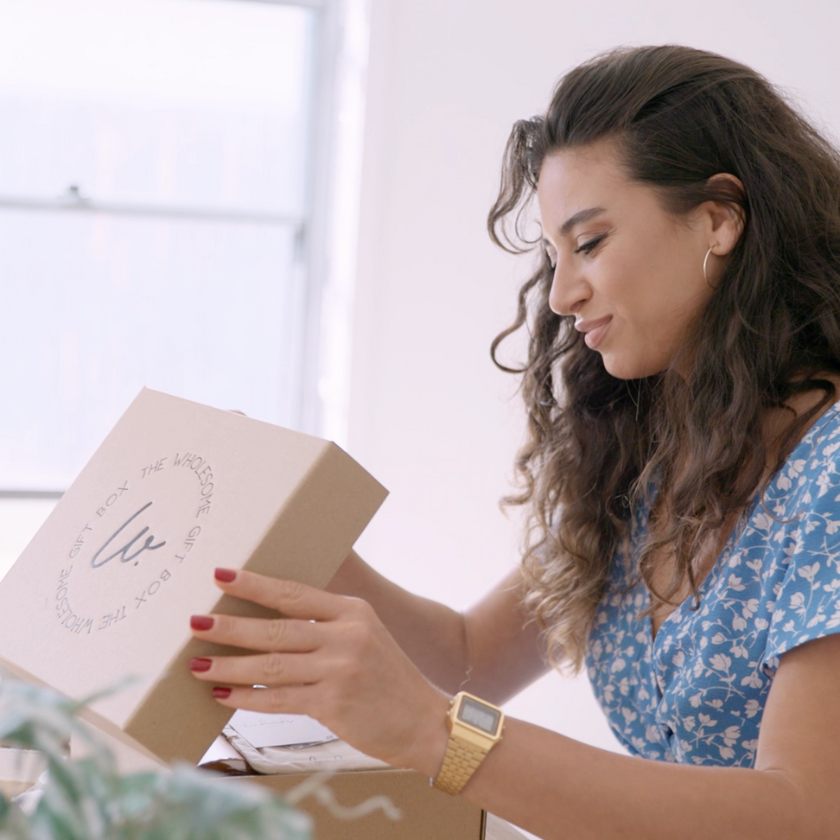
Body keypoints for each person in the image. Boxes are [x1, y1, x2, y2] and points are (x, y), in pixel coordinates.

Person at [187, 45, 840, 839]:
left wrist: (436, 733)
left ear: (719, 216)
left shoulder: (828, 470)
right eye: (553, 257)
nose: (563, 294)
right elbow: (468, 659)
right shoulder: (646, 461)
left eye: (590, 243)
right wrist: (295, 530)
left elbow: (806, 813)